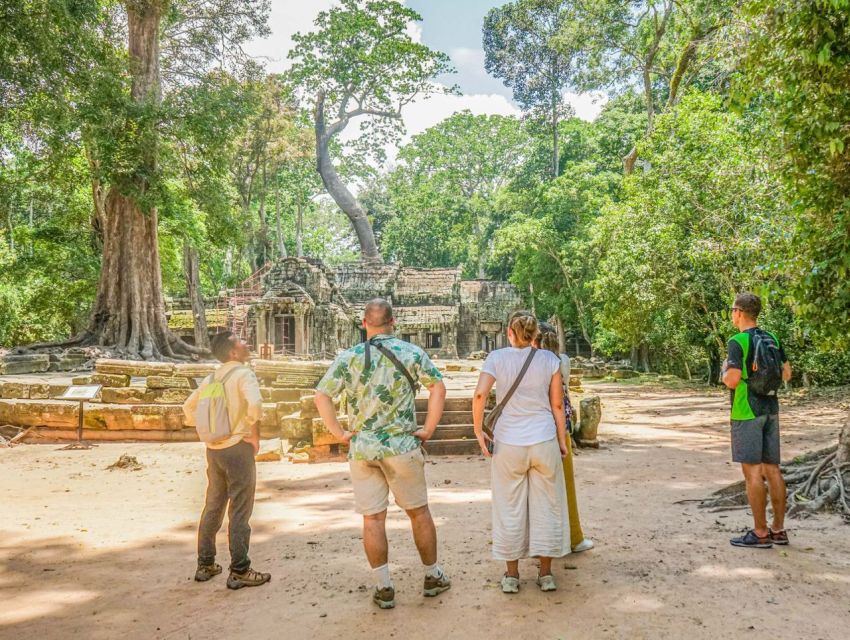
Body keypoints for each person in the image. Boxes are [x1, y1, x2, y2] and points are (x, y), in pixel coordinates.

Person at [314, 298, 451, 610]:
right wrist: (427, 429)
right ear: (393, 322)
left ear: (364, 323)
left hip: (363, 448)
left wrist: (339, 433)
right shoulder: (411, 352)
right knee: (418, 512)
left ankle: (384, 586)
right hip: (401, 445)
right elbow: (438, 388)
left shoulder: (349, 357)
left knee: (373, 518)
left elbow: (321, 395)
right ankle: (432, 576)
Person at [472, 311, 570, 593]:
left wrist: (479, 430)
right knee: (547, 506)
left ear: (509, 333)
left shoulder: (496, 358)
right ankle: (547, 574)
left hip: (509, 443)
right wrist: (561, 440)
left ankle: (512, 575)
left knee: (509, 507)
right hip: (543, 439)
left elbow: (479, 395)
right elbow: (556, 405)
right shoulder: (550, 360)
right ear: (535, 335)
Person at [183, 331, 271, 589]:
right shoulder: (244, 374)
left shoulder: (212, 377)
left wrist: (208, 430)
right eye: (241, 341)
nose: (247, 343)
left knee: (213, 505)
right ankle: (240, 569)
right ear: (234, 352)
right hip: (237, 448)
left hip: (214, 449)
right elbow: (255, 404)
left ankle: (206, 563)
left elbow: (189, 408)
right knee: (240, 510)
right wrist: (246, 428)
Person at [722, 292, 792, 548]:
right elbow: (787, 372)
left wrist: (725, 374)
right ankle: (778, 530)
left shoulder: (737, 341)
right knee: (772, 469)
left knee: (752, 472)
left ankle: (760, 532)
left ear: (738, 312)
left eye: (732, 310)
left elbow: (731, 379)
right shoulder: (771, 337)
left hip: (746, 411)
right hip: (770, 408)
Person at [535, 322, 594, 553]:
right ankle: (573, 536)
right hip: (560, 426)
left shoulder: (530, 362)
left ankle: (539, 541)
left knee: (537, 486)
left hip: (534, 427)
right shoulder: (562, 361)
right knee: (565, 484)